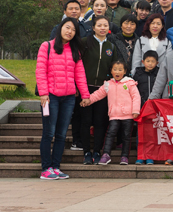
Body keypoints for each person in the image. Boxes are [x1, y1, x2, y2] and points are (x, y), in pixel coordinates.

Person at [36, 18, 90, 180]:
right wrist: (43, 93)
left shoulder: (75, 51)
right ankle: (46, 168)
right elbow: (40, 71)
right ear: (60, 28)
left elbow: (80, 74)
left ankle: (56, 167)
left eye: (73, 30)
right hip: (50, 97)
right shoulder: (47, 46)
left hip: (68, 98)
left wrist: (85, 95)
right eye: (67, 27)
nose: (70, 32)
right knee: (49, 133)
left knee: (61, 134)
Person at [81, 60, 140, 166]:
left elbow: (136, 97)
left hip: (128, 115)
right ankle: (106, 155)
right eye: (115, 69)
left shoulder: (130, 83)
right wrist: (88, 100)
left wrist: (135, 110)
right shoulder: (108, 84)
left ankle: (124, 157)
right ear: (111, 71)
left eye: (120, 70)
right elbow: (98, 94)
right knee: (110, 134)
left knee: (126, 136)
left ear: (125, 71)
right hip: (114, 115)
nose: (117, 72)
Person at [80, 16, 119, 165]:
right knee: (85, 121)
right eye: (99, 25)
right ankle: (86, 152)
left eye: (105, 25)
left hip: (103, 90)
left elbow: (114, 68)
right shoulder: (85, 43)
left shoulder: (111, 46)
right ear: (93, 27)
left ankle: (97, 151)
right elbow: (77, 64)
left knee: (100, 121)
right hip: (85, 88)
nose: (102, 28)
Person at [131, 50, 158, 165]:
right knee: (140, 133)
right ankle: (140, 156)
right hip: (141, 108)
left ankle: (150, 156)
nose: (150, 64)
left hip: (154, 108)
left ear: (157, 63)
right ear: (143, 62)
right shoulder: (137, 73)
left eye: (153, 61)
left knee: (152, 133)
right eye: (148, 61)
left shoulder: (159, 73)